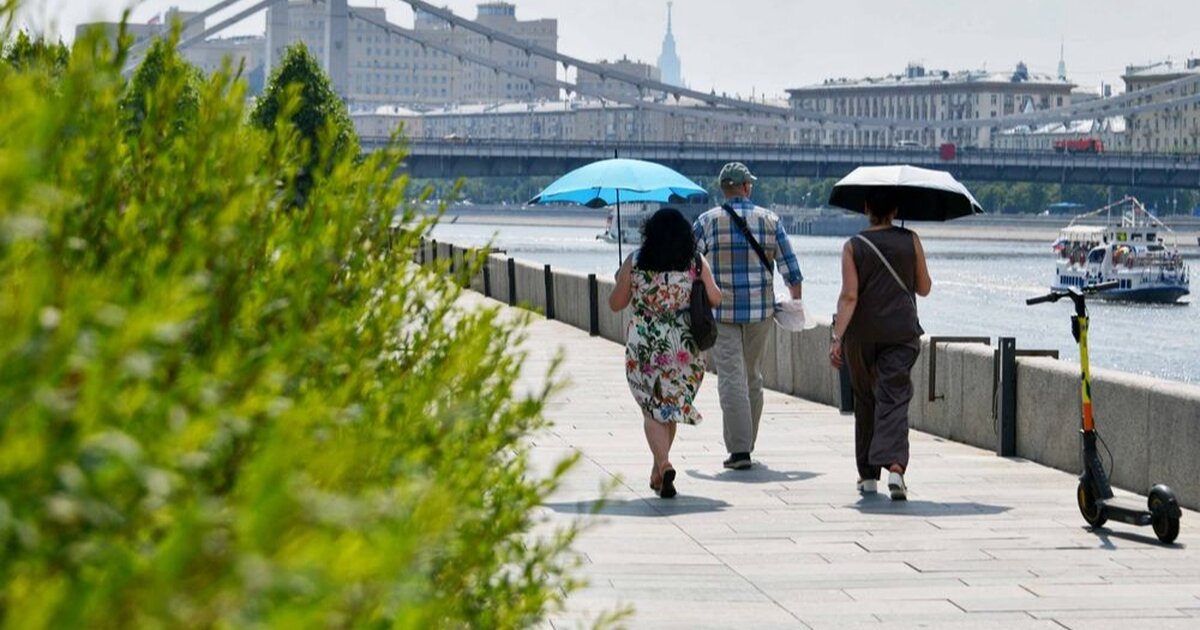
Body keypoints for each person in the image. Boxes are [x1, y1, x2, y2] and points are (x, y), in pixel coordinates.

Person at [693, 162, 804, 470]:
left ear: (723, 189)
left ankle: (740, 450)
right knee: (752, 375)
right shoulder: (770, 220)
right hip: (760, 312)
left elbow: (690, 265)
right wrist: (796, 304)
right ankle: (747, 442)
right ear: (745, 187)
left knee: (731, 377)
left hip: (722, 310)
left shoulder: (706, 221)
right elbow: (791, 270)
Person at [610, 207, 722, 498]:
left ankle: (662, 462)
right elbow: (716, 297)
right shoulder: (695, 262)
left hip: (646, 346)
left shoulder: (635, 261)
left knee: (652, 407)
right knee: (669, 406)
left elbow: (616, 303)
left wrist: (622, 280)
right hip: (685, 348)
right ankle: (659, 472)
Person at [828, 187, 932, 501]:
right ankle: (896, 468)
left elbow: (849, 296)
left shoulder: (853, 246)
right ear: (896, 211)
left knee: (865, 401)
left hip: (862, 336)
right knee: (895, 398)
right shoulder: (910, 239)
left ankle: (868, 476)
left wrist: (837, 337)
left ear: (866, 208)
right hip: (901, 333)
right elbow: (924, 288)